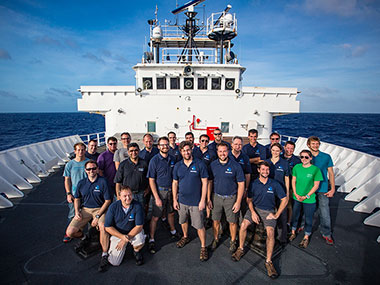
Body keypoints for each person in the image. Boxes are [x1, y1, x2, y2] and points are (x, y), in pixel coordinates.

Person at [231, 161, 287, 279]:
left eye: (267, 170)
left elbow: (284, 199)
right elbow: (249, 200)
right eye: (263, 169)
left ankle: (268, 261)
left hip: (269, 211)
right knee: (243, 225)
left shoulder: (275, 184)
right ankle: (240, 249)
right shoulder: (253, 184)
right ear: (258, 170)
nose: (265, 172)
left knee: (270, 233)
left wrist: (276, 215)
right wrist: (252, 212)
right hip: (255, 209)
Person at [65, 160, 112, 272]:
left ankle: (105, 254)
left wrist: (97, 216)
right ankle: (84, 237)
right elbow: (77, 198)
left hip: (99, 209)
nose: (91, 171)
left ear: (97, 169)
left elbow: (107, 200)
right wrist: (77, 211)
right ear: (85, 171)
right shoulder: (81, 183)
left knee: (103, 227)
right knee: (70, 232)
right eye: (89, 169)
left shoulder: (103, 182)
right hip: (85, 209)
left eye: (94, 168)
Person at [172, 141, 209, 261]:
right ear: (181, 152)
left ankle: (203, 247)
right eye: (184, 151)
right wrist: (174, 199)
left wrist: (203, 200)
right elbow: (175, 183)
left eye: (188, 150)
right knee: (183, 221)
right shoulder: (178, 166)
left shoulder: (200, 164)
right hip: (182, 201)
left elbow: (205, 182)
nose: (186, 152)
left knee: (199, 225)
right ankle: (185, 236)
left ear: (191, 149)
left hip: (196, 201)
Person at [208, 142, 245, 253]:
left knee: (232, 222)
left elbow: (241, 184)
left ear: (228, 151)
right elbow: (209, 182)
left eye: (224, 151)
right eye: (220, 151)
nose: (222, 153)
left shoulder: (235, 166)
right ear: (217, 152)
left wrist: (238, 202)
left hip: (231, 198)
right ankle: (215, 239)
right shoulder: (213, 165)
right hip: (216, 197)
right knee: (215, 220)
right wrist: (208, 198)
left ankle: (233, 241)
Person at [147, 136, 179, 254]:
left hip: (172, 190)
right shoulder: (154, 161)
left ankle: (173, 231)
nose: (165, 147)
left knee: (170, 213)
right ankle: (151, 238)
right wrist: (156, 197)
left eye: (166, 145)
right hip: (160, 191)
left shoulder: (172, 159)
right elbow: (151, 180)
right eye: (162, 145)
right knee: (155, 216)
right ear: (158, 146)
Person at [104, 186, 145, 269]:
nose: (128, 198)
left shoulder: (137, 206)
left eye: (130, 195)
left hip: (132, 232)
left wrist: (126, 238)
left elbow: (139, 226)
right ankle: (121, 247)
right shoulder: (113, 207)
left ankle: (136, 251)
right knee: (114, 262)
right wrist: (122, 237)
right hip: (119, 233)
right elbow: (107, 227)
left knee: (140, 240)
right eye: (125, 196)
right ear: (119, 197)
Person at [289, 150, 323, 248]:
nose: (304, 159)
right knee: (295, 215)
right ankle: (293, 232)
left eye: (306, 157)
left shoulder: (315, 170)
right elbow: (293, 181)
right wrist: (295, 193)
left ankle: (306, 236)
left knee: (308, 217)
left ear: (311, 158)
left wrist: (306, 196)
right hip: (297, 197)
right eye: (302, 157)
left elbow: (316, 185)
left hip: (309, 199)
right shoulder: (297, 167)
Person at [307, 136, 336, 245]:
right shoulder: (306, 157)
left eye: (317, 143)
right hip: (308, 188)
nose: (315, 146)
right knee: (306, 209)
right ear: (308, 145)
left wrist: (332, 188)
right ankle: (304, 227)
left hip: (322, 188)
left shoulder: (326, 157)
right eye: (313, 144)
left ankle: (326, 233)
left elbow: (331, 173)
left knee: (324, 211)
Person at [63, 142, 89, 242]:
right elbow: (67, 179)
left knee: (87, 213)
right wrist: (68, 193)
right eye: (78, 150)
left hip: (87, 194)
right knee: (72, 213)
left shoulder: (88, 163)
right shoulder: (70, 164)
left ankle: (87, 234)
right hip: (74, 194)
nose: (80, 152)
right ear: (75, 151)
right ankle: (69, 233)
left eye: (82, 150)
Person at [266, 143, 290, 245]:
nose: (275, 152)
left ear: (280, 151)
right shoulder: (266, 162)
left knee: (282, 215)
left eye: (277, 150)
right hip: (269, 192)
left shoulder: (284, 164)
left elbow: (287, 178)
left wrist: (287, 192)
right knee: (269, 213)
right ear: (270, 150)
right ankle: (270, 236)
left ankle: (282, 238)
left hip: (281, 193)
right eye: (273, 150)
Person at [193, 134, 217, 228]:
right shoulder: (194, 151)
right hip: (196, 178)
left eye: (206, 141)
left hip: (208, 178)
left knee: (207, 197)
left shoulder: (212, 153)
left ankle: (207, 217)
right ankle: (196, 216)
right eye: (202, 140)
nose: (204, 143)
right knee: (197, 197)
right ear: (199, 141)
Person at [282, 141, 301, 226]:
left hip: (290, 186)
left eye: (291, 149)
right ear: (284, 147)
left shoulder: (297, 161)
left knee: (289, 204)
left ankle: (289, 222)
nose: (289, 150)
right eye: (288, 148)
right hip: (279, 184)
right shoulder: (279, 157)